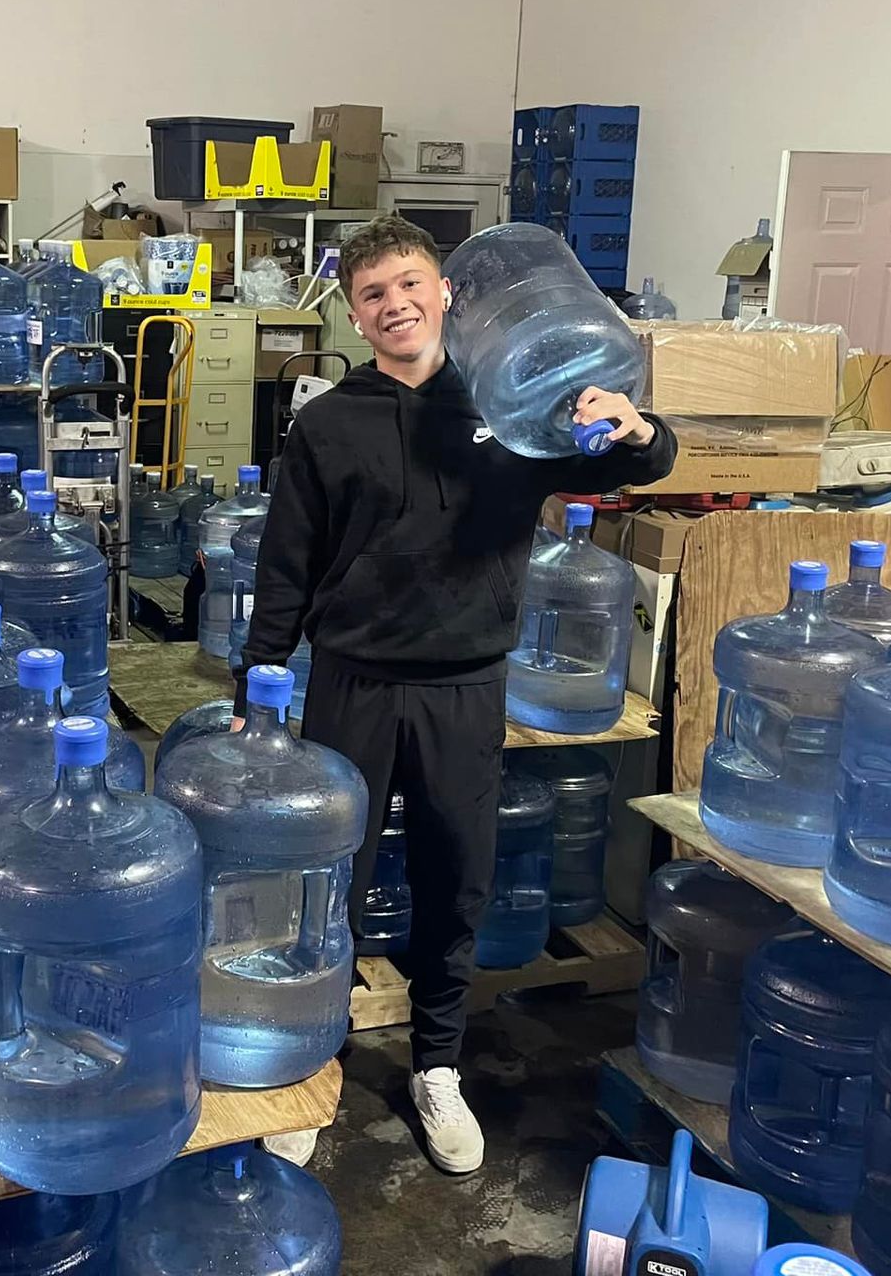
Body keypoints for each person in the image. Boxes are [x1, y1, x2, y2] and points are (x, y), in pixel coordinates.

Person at [236, 214, 675, 1174]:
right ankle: (316, 1066)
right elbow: (286, 564)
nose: (394, 305)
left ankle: (438, 1066)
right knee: (326, 890)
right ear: (354, 316)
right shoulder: (327, 423)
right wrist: (256, 680)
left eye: (407, 285)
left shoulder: (518, 406)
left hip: (467, 686)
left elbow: (635, 458)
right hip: (350, 682)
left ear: (445, 294)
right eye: (372, 295)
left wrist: (641, 426)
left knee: (455, 880)